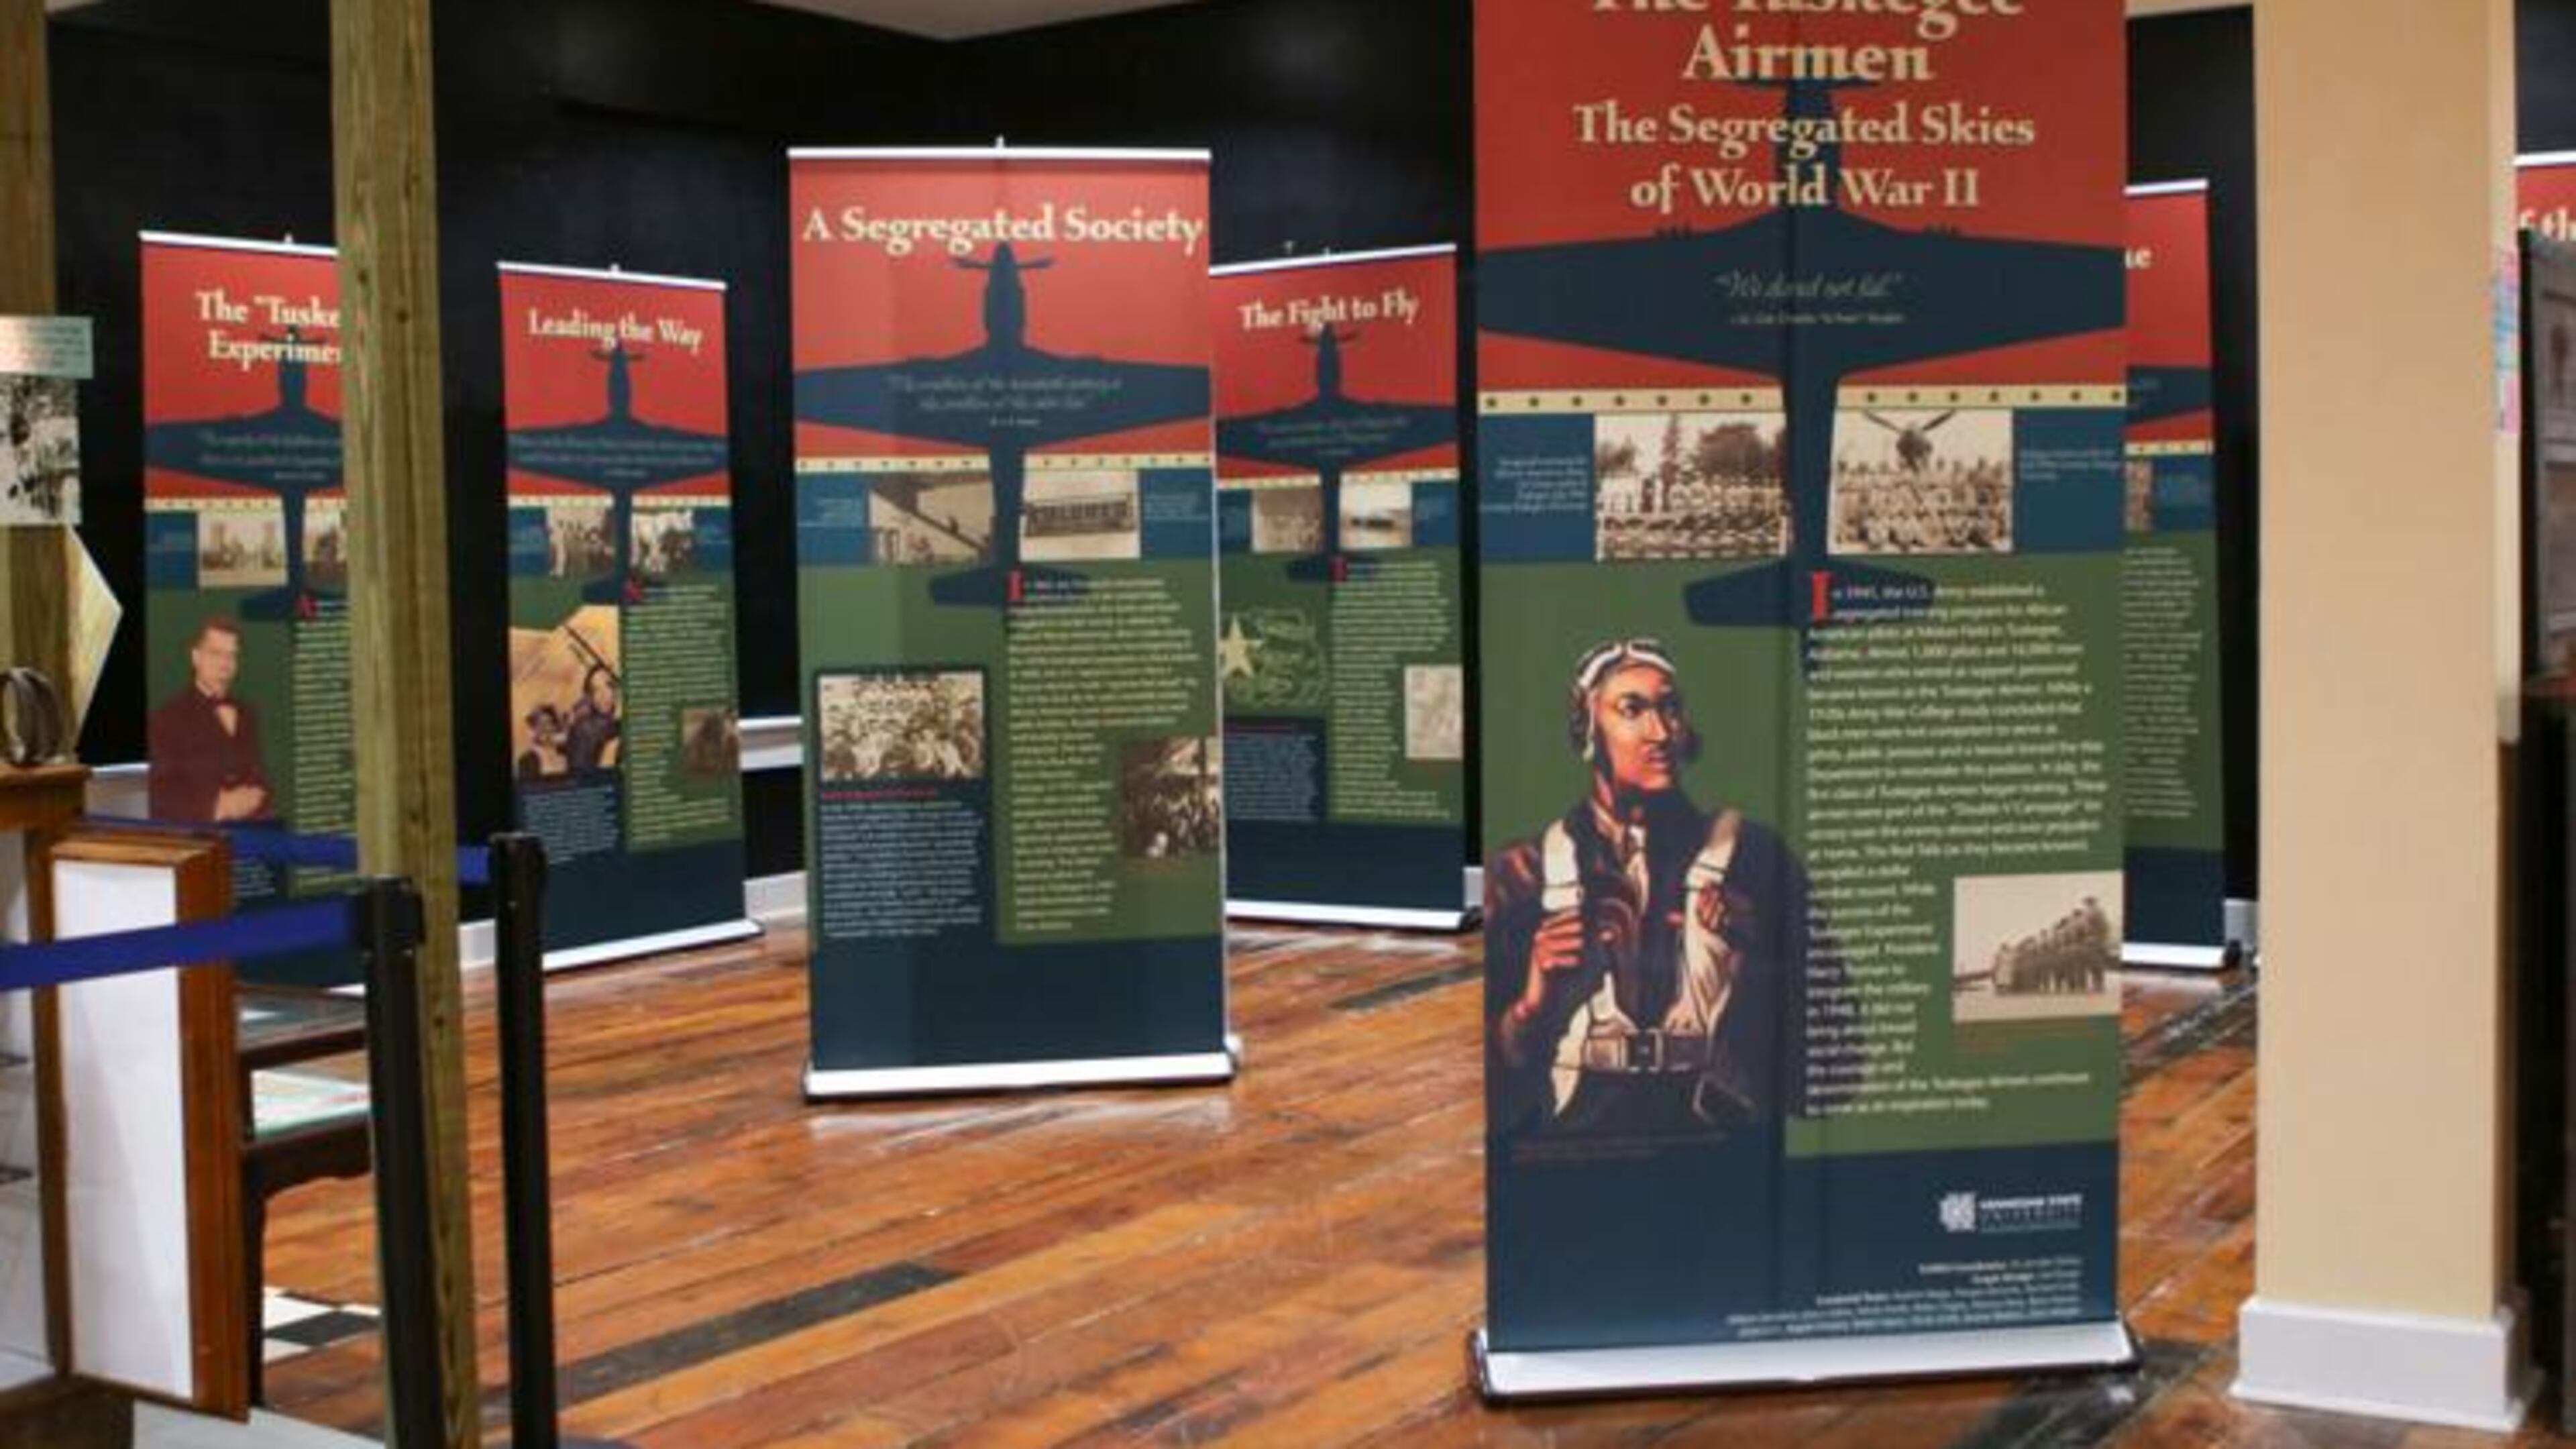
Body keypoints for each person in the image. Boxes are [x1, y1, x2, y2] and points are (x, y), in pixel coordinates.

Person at [1487, 639, 1824, 1140]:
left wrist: (1756, 961)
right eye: (1632, 710)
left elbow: (1835, 1067)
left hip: (1717, 1135)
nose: (1661, 732)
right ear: (1588, 728)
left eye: (1670, 708)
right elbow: (1486, 1085)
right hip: (1577, 1139)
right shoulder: (1521, 877)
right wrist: (1531, 1007)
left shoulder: (1757, 861)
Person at [148, 616, 274, 822]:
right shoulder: (166, 718)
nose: (225, 664)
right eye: (216, 654)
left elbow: (260, 777)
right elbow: (161, 792)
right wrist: (219, 807)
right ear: (196, 657)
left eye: (232, 656)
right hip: (197, 836)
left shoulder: (247, 712)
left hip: (251, 832)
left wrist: (255, 797)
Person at [564, 664, 620, 773]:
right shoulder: (582, 730)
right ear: (591, 696)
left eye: (608, 686)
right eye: (596, 690)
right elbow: (579, 780)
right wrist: (610, 748)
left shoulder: (621, 721)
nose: (603, 695)